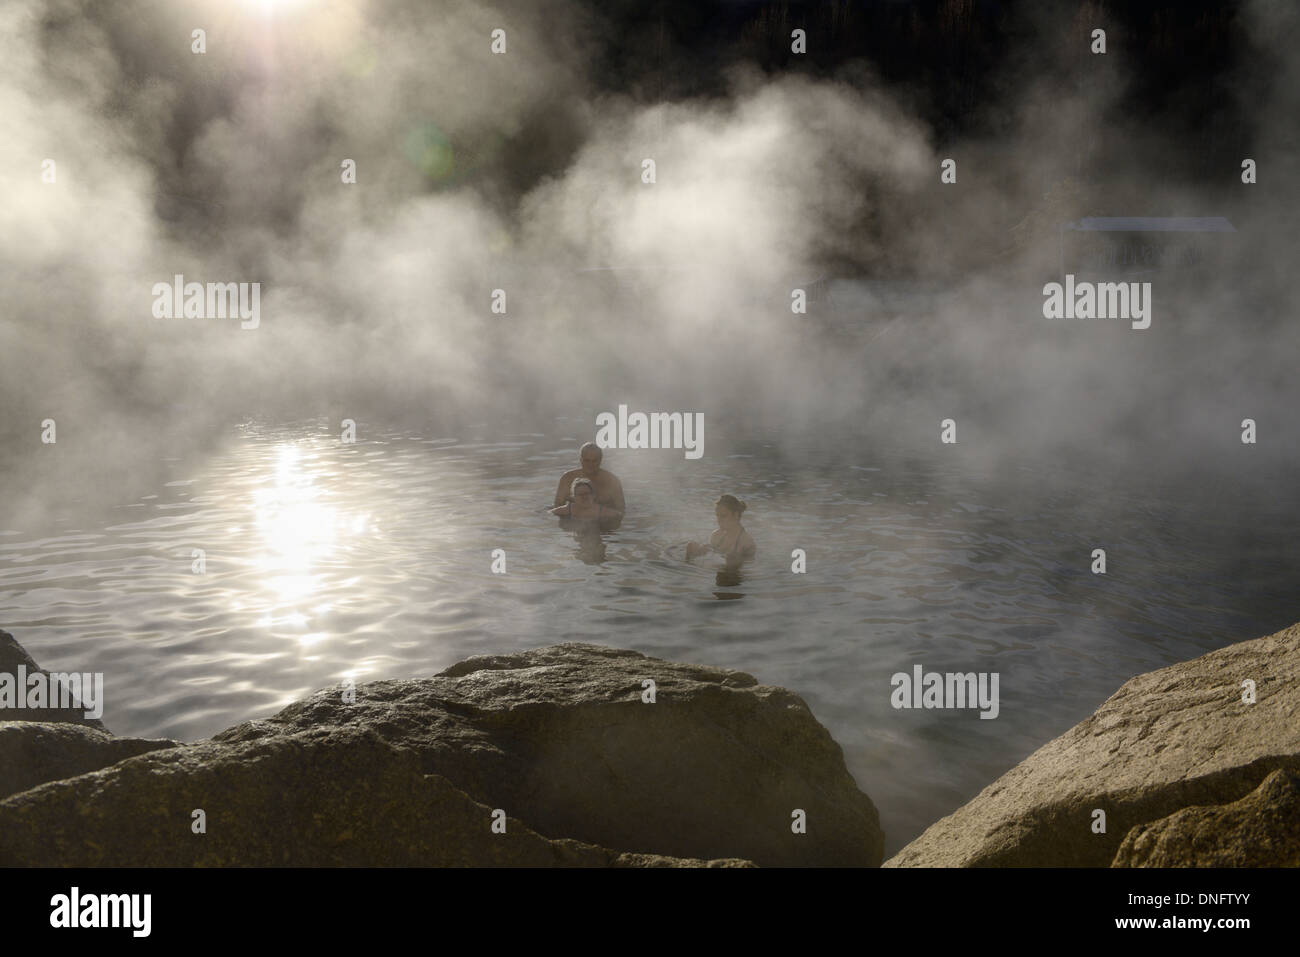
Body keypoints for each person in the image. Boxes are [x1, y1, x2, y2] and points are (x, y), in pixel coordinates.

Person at [554, 442, 625, 513]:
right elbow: (558, 505)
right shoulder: (568, 478)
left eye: (594, 461)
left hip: (603, 519)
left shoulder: (612, 481)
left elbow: (621, 509)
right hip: (574, 518)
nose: (590, 465)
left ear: (600, 460)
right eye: (586, 460)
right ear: (580, 460)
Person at [686, 494, 756, 565]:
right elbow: (710, 558)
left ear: (736, 515)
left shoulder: (747, 543)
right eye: (717, 515)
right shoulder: (716, 535)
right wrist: (695, 554)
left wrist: (735, 561)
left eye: (723, 516)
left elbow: (749, 569)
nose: (719, 520)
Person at [549, 477, 623, 522]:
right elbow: (548, 514)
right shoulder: (568, 509)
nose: (584, 497)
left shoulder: (602, 512)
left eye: (587, 493)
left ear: (593, 495)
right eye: (580, 494)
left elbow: (619, 515)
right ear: (574, 497)